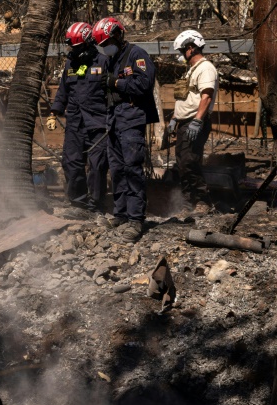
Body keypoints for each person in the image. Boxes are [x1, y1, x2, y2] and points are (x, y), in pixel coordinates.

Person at [92, 17, 158, 242]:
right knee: (117, 169)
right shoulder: (111, 59)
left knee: (132, 169)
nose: (105, 47)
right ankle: (120, 213)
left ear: (119, 35)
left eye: (107, 42)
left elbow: (144, 84)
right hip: (114, 121)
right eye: (102, 45)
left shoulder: (137, 55)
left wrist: (117, 83)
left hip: (131, 120)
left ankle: (135, 219)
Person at [48, 22, 110, 216]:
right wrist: (54, 113)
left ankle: (95, 205)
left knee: (98, 165)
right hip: (75, 122)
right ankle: (78, 204)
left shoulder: (103, 61)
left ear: (88, 43)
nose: (73, 51)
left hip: (99, 123)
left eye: (76, 47)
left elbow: (114, 92)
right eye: (71, 47)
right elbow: (63, 91)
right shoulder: (71, 64)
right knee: (71, 162)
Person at [168, 29, 218, 213]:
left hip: (194, 122)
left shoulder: (206, 68)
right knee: (182, 164)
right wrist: (174, 119)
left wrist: (197, 121)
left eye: (182, 51)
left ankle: (204, 202)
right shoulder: (191, 71)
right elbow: (185, 99)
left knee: (190, 162)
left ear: (191, 48)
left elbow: (206, 96)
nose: (181, 55)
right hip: (184, 123)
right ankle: (189, 203)